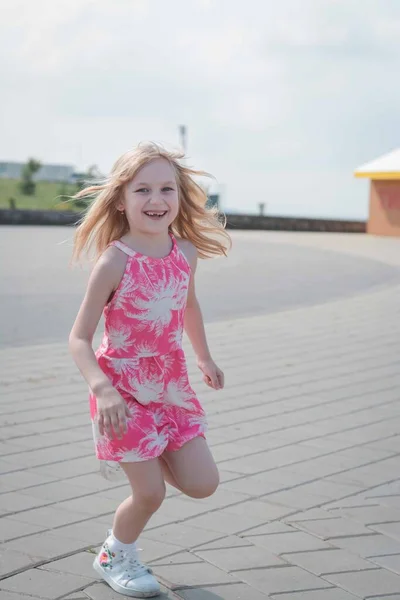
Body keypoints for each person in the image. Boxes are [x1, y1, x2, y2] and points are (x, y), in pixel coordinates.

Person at [69, 142, 231, 598]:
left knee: (203, 484)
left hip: (170, 386)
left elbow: (189, 306)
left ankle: (150, 452)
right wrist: (102, 389)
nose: (156, 200)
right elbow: (78, 337)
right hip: (121, 392)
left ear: (179, 197)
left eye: (166, 189)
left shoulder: (186, 253)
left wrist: (203, 357)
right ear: (120, 199)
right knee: (151, 494)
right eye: (142, 190)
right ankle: (115, 554)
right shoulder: (114, 260)